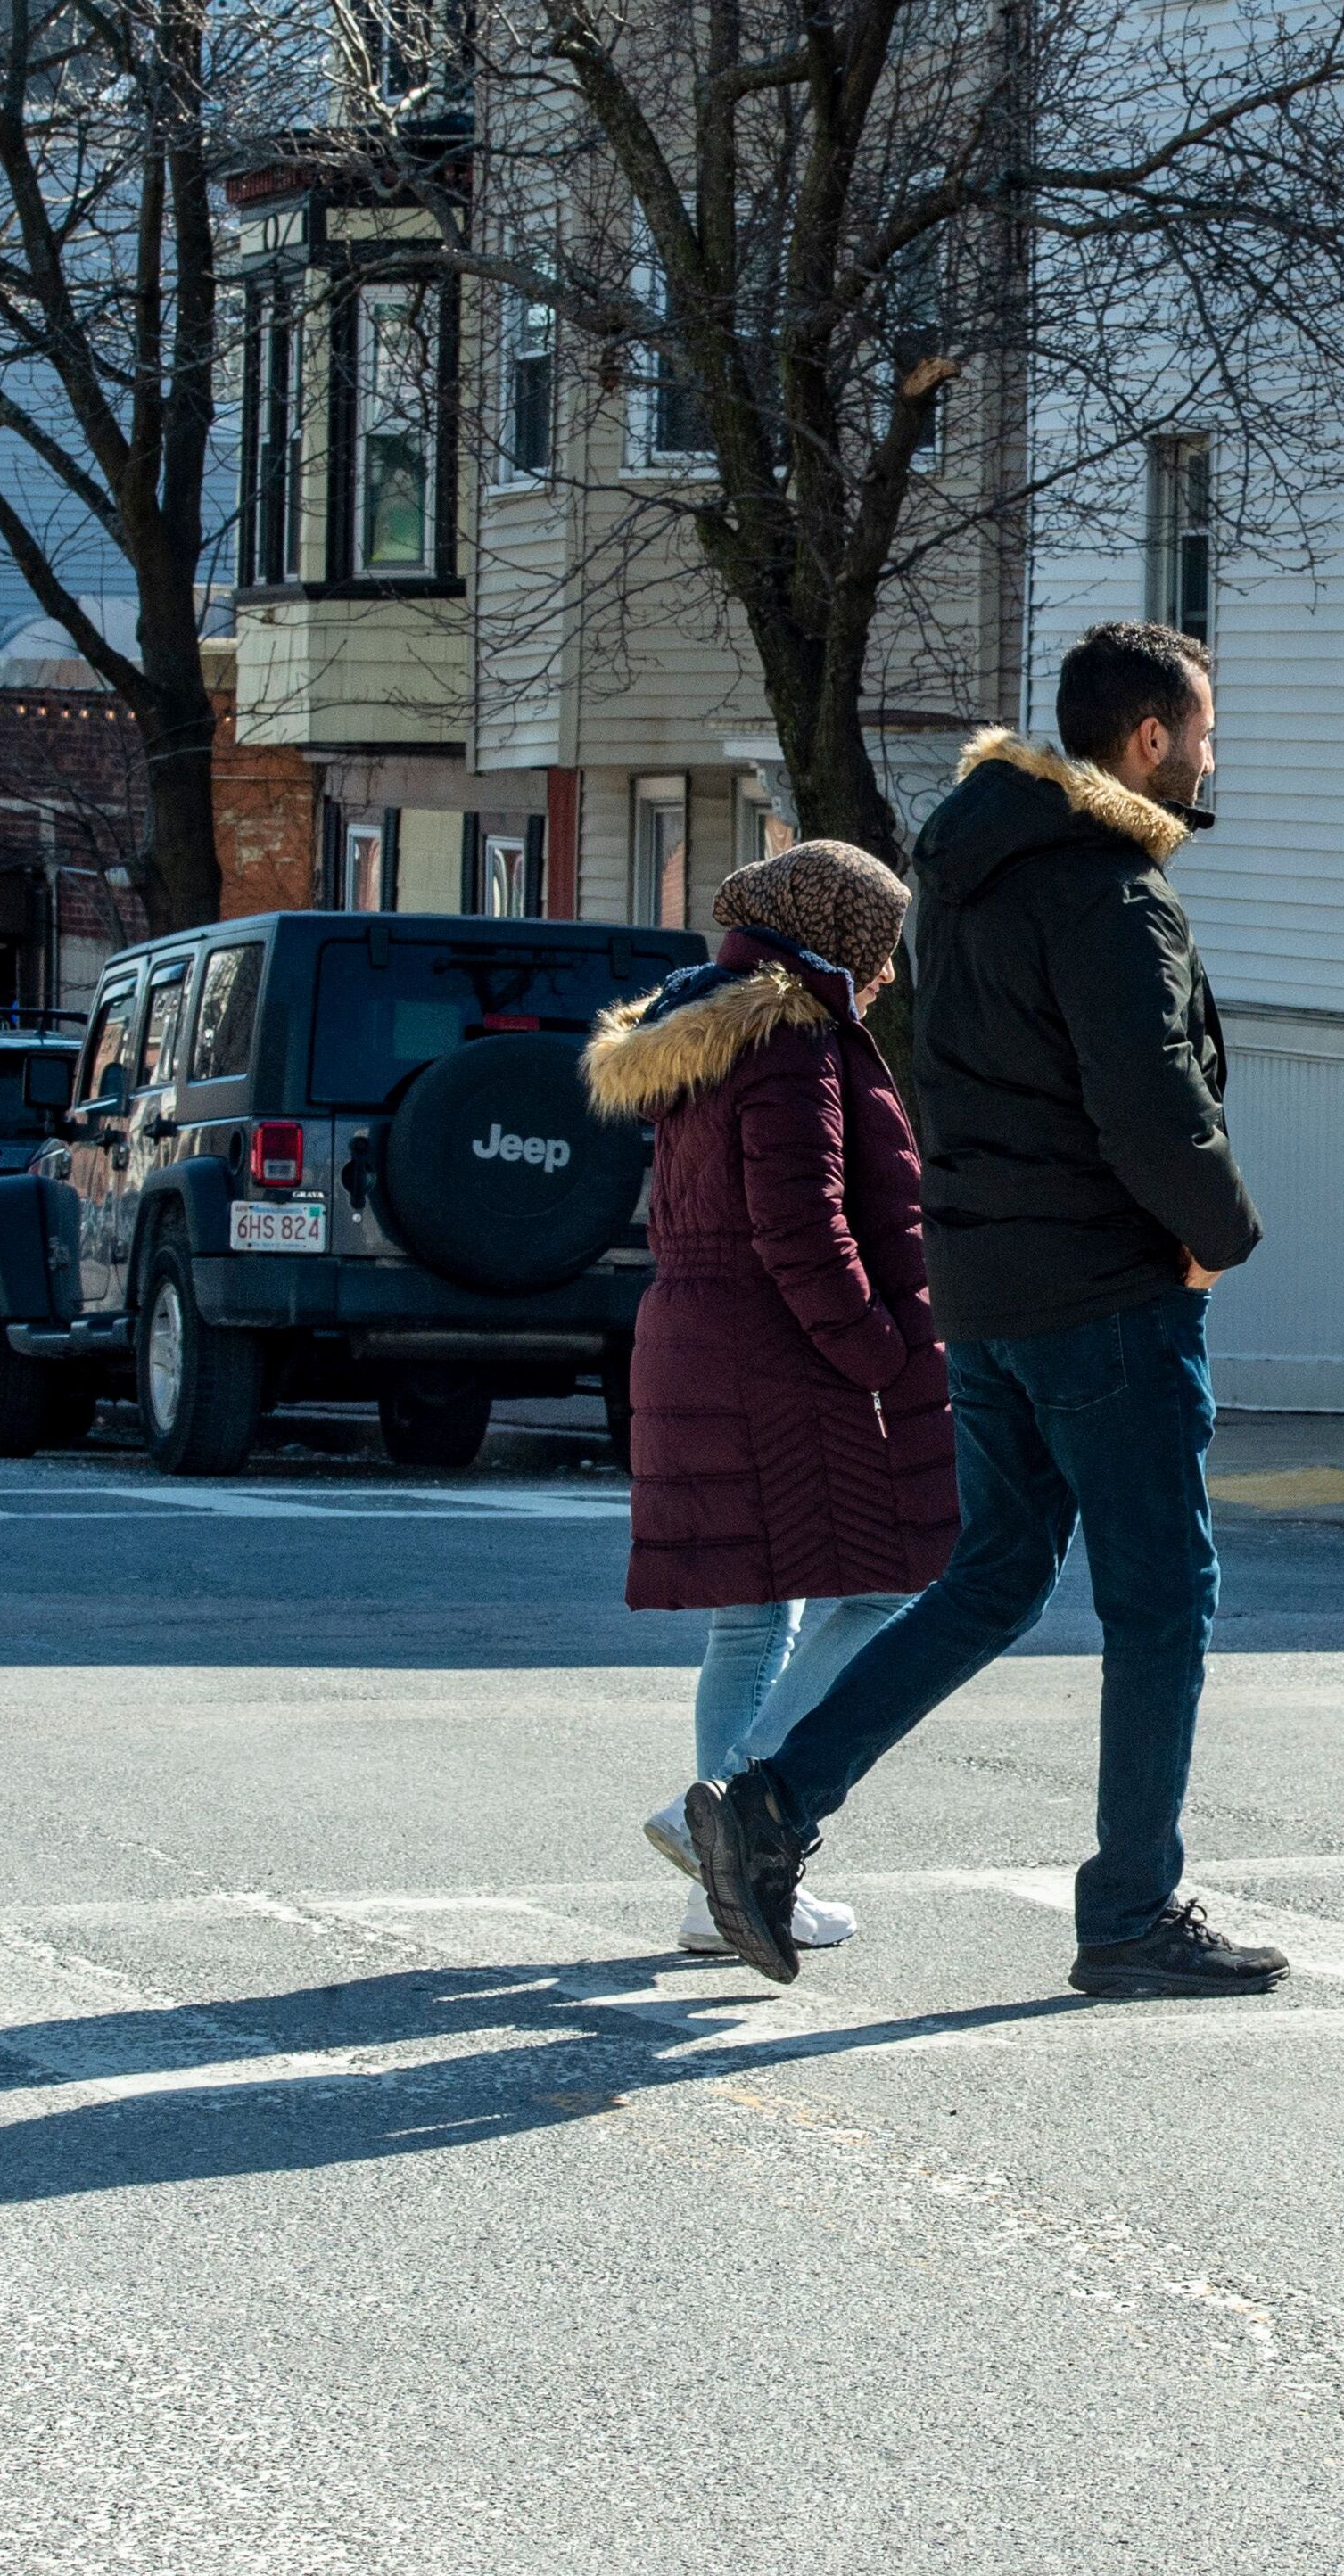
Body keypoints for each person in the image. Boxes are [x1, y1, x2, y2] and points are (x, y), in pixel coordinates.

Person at [688, 621, 1282, 2000]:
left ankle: (772, 1804)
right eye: (1202, 731)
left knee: (999, 1572)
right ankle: (1131, 1909)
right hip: (1105, 1291)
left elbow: (941, 1075)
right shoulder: (1109, 893)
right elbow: (1154, 1105)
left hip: (992, 1290)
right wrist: (1220, 1238)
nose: (1211, 755)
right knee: (1161, 1603)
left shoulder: (961, 874)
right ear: (1147, 742)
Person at [583, 838, 958, 1956]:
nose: (888, 970)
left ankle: (720, 1889)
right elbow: (804, 1224)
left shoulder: (712, 1024)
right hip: (776, 1357)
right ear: (838, 938)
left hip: (705, 1340)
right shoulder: (792, 1039)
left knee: (753, 1615)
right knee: (898, 1582)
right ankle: (736, 1811)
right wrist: (885, 1349)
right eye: (879, 944)